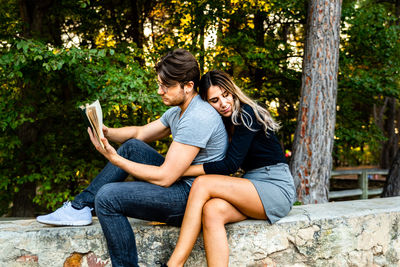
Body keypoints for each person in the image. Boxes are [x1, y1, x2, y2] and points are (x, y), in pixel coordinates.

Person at [36, 49, 228, 267]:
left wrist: (116, 159)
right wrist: (106, 131)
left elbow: (165, 177)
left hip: (191, 198)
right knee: (133, 147)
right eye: (159, 84)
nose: (159, 91)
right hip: (181, 184)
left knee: (108, 198)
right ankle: (80, 207)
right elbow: (140, 134)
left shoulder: (198, 117)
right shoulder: (179, 111)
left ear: (188, 86)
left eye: (166, 86)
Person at [164, 70, 296, 267]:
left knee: (202, 184)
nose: (223, 103)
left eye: (226, 95)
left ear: (233, 92)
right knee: (212, 210)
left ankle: (174, 264)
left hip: (275, 186)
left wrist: (178, 171)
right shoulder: (222, 121)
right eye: (214, 100)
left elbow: (229, 165)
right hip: (252, 186)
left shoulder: (247, 113)